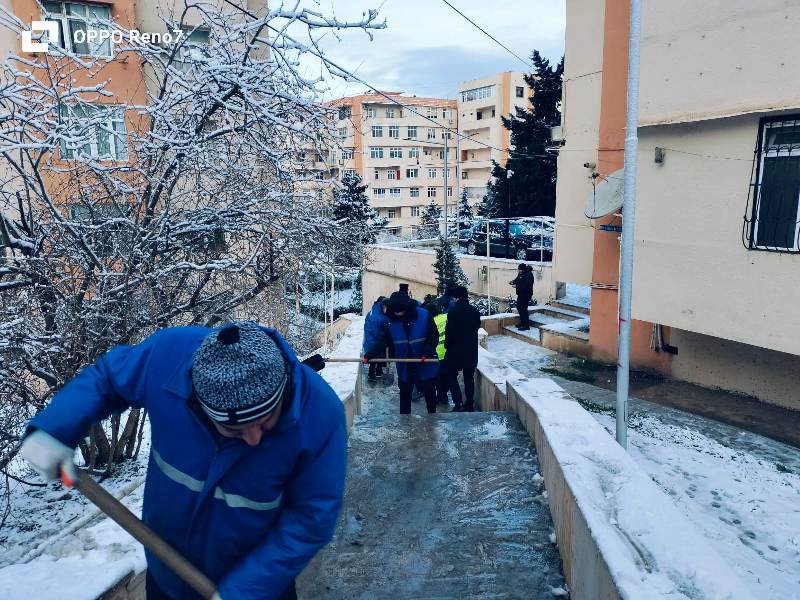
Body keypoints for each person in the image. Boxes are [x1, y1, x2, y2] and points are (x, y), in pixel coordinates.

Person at [19, 322, 347, 600]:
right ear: (199, 405)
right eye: (235, 429)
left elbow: (310, 519)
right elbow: (108, 379)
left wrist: (242, 591)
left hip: (259, 587)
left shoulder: (319, 415)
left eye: (266, 420)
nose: (254, 439)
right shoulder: (169, 359)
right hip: (166, 578)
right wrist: (54, 428)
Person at [365, 292, 439, 414]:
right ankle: (405, 421)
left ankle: (432, 421)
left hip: (425, 362)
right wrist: (370, 354)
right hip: (405, 365)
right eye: (394, 311)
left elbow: (433, 336)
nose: (396, 314)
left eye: (399, 311)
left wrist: (427, 352)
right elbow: (383, 341)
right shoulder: (391, 322)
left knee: (429, 393)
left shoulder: (425, 316)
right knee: (405, 394)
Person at [443, 286, 481, 412]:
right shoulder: (475, 311)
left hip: (455, 351)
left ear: (456, 297)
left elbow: (449, 332)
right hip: (470, 351)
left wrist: (447, 345)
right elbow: (476, 328)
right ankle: (469, 404)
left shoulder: (453, 311)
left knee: (451, 375)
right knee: (469, 378)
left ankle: (458, 403)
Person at [423, 301, 450, 407]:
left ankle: (441, 398)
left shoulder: (429, 322)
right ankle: (444, 396)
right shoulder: (446, 316)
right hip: (448, 351)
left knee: (438, 378)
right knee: (446, 377)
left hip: (437, 353)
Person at [363, 296, 389, 382]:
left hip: (371, 337)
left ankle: (378, 371)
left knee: (377, 355)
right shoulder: (379, 317)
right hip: (374, 339)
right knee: (375, 356)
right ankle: (372, 374)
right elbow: (377, 330)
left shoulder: (373, 312)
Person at [509, 263, 534, 331]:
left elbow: (526, 286)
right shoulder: (521, 273)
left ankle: (526, 326)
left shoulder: (529, 275)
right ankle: (522, 323)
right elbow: (517, 280)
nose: (518, 271)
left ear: (523, 269)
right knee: (519, 308)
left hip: (526, 294)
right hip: (520, 294)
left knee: (523, 309)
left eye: (520, 270)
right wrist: (512, 282)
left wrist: (517, 286)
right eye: (518, 270)